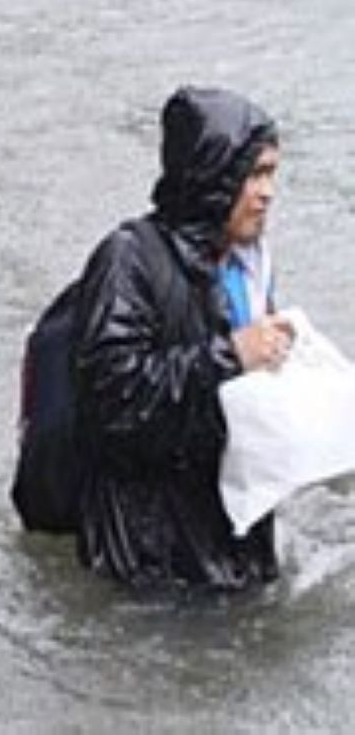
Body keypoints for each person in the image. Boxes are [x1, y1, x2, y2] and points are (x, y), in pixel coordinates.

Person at [72, 86, 292, 590]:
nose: (267, 192)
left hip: (233, 540)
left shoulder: (247, 268)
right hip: (148, 560)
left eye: (272, 174)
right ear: (215, 176)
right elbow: (111, 403)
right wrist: (231, 354)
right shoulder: (127, 260)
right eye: (255, 174)